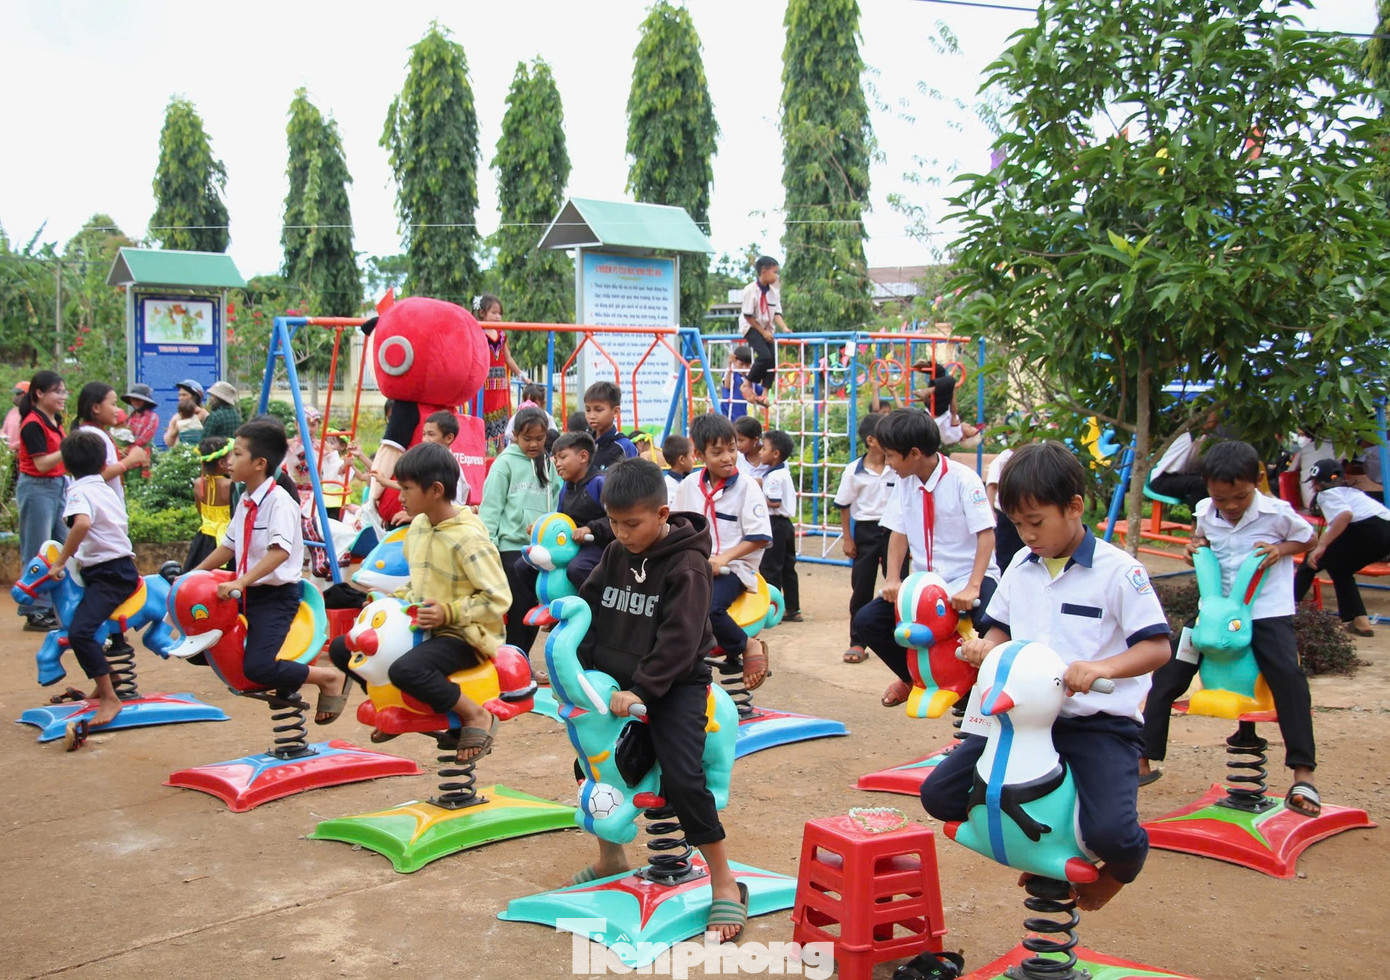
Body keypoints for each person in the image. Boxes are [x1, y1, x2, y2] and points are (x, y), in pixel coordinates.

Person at [923, 440, 1172, 911]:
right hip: (1023, 719)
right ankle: (1040, 845)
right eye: (1016, 524)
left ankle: (1119, 870)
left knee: (1113, 835)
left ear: (1074, 507)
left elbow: (1157, 646)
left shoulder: (1120, 573)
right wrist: (986, 647)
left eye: (1035, 523)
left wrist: (1102, 668)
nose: (1026, 535)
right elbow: (1000, 626)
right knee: (941, 795)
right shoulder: (1021, 564)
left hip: (1096, 722)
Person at [572, 457, 751, 941]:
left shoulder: (688, 565)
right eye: (613, 522)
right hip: (617, 682)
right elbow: (590, 605)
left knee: (684, 775)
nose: (622, 533)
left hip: (673, 685)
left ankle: (724, 881)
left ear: (662, 514)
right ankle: (612, 855)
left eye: (631, 523)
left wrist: (642, 689)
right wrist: (574, 659)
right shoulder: (614, 553)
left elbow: (679, 639)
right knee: (592, 764)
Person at [1142, 441, 1321, 817]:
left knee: (1287, 676)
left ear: (1256, 481)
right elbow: (1202, 538)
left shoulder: (1277, 512)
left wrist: (1282, 550)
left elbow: (1310, 538)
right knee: (1169, 668)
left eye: (1239, 496)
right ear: (1207, 487)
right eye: (1221, 498)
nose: (1231, 506)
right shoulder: (1206, 510)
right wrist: (1195, 546)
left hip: (1264, 611)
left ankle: (1303, 775)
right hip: (1215, 612)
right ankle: (1142, 760)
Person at [327, 442, 511, 758]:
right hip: (424, 626)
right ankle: (392, 702)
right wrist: (387, 602)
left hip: (466, 635)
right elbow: (418, 585)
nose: (399, 497)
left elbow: (498, 598)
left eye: (407, 489)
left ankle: (475, 714)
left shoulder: (468, 539)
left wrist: (448, 614)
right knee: (343, 648)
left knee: (406, 670)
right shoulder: (420, 527)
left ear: (435, 490)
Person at [191, 416, 349, 721]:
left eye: (237, 454)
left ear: (260, 463)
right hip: (248, 591)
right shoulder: (246, 500)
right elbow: (228, 546)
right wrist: (194, 574)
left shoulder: (279, 502)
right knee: (200, 645)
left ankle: (328, 678)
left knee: (258, 666)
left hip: (276, 597)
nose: (229, 461)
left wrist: (241, 581)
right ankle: (285, 682)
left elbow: (280, 553)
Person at [851, 408, 1000, 708]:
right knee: (868, 620)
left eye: (891, 456)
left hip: (966, 578)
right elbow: (898, 533)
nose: (888, 463)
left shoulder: (963, 479)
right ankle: (915, 679)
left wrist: (973, 585)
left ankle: (978, 699)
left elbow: (986, 534)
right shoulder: (905, 484)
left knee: (991, 624)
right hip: (924, 589)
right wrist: (893, 579)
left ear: (915, 453)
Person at [48, 430, 142, 729]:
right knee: (82, 623)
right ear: (104, 463)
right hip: (113, 568)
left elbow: (82, 524)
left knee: (80, 633)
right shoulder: (105, 488)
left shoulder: (78, 492)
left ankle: (110, 697)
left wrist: (61, 560)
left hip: (109, 574)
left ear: (65, 466)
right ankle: (108, 678)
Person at [671, 413, 772, 691]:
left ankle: (748, 645)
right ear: (700, 454)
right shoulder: (689, 485)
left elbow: (759, 537)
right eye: (718, 452)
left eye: (733, 449)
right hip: (695, 566)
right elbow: (678, 525)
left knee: (707, 607)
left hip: (734, 569)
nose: (728, 457)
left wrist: (723, 558)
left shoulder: (748, 487)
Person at [479, 406, 559, 655]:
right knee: (518, 608)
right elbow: (491, 507)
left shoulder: (547, 463)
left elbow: (555, 499)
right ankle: (512, 662)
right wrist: (488, 545)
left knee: (536, 607)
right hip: (511, 548)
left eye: (540, 438)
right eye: (527, 439)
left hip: (542, 550)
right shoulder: (504, 464)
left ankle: (519, 662)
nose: (534, 444)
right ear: (514, 435)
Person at [1294, 458, 1390, 638]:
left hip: (1367, 529)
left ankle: (1288, 612)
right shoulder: (1351, 492)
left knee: (1309, 563)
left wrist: (1321, 546)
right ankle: (1360, 621)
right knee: (1341, 569)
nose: (1314, 488)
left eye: (1314, 483)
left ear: (1318, 482)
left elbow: (1344, 516)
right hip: (1384, 531)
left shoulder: (1327, 494)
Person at [834, 413, 898, 663]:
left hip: (894, 532)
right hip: (866, 531)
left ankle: (897, 636)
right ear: (871, 440)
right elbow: (844, 505)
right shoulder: (854, 471)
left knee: (898, 584)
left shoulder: (896, 468)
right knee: (862, 586)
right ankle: (857, 641)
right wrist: (848, 539)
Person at [16, 371, 69, 631]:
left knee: (62, 545)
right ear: (39, 393)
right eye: (57, 391)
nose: (63, 396)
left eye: (63, 391)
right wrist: (67, 449)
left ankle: (54, 604)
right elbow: (42, 463)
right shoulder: (32, 423)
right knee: (37, 548)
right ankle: (34, 609)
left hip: (56, 486)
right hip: (37, 487)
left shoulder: (53, 420)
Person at [551, 431, 611, 590]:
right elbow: (560, 521)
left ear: (583, 457)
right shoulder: (565, 489)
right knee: (525, 565)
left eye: (562, 457)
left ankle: (596, 609)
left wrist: (590, 528)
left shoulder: (600, 484)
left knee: (577, 568)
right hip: (571, 546)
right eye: (555, 459)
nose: (557, 463)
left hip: (600, 546)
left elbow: (617, 520)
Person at [477, 294, 529, 453]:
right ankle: (483, 457)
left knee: (500, 423)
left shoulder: (501, 334)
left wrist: (522, 375)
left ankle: (501, 456)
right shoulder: (478, 332)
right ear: (482, 313)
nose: (498, 316)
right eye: (494, 312)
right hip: (483, 386)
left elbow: (508, 358)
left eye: (500, 313)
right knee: (483, 421)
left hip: (499, 386)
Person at [75, 382, 148, 495]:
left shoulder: (98, 433)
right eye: (113, 404)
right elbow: (97, 477)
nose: (117, 410)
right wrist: (130, 460)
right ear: (96, 407)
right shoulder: (90, 436)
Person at [759, 429, 802, 622]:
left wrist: (757, 498)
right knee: (787, 567)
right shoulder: (782, 471)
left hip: (774, 523)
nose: (760, 451)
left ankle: (771, 610)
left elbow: (774, 501)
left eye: (764, 448)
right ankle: (793, 608)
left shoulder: (775, 477)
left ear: (775, 454)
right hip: (785, 525)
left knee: (771, 567)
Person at [1148, 409, 1221, 508]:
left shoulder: (1209, 440)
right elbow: (1209, 424)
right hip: (1162, 479)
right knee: (1199, 484)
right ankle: (1197, 521)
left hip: (1183, 477)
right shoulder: (1192, 434)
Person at [740, 256, 785, 407]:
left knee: (773, 360)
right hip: (751, 327)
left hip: (767, 328)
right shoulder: (750, 290)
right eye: (774, 272)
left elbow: (777, 313)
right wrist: (763, 332)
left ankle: (765, 392)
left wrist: (784, 328)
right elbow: (748, 316)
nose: (776, 276)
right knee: (765, 356)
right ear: (764, 272)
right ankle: (747, 382)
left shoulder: (774, 292)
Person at [185, 437, 233, 570]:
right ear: (222, 463)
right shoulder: (230, 485)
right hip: (225, 540)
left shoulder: (198, 484)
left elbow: (200, 510)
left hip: (203, 539)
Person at [985, 441, 1026, 569]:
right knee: (1005, 551)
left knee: (1023, 548)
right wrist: (990, 510)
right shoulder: (1003, 458)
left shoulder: (1028, 456)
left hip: (1024, 512)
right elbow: (992, 485)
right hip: (1005, 512)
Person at [584, 381, 636, 471]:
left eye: (598, 410)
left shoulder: (624, 446)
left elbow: (632, 480)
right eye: (588, 410)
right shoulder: (584, 443)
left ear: (615, 412)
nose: (592, 416)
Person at [121, 383, 160, 475]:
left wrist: (130, 449)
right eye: (133, 399)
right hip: (127, 456)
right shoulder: (129, 418)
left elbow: (144, 438)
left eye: (139, 400)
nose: (136, 402)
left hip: (144, 456)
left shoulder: (152, 417)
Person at [721, 346, 764, 417]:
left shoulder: (750, 379)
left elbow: (761, 393)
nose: (744, 368)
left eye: (747, 365)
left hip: (742, 415)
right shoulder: (731, 372)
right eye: (741, 364)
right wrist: (730, 365)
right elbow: (727, 386)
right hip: (726, 413)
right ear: (735, 362)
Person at [163, 380, 206, 447]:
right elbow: (169, 443)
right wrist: (173, 432)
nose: (181, 398)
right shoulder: (176, 417)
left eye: (184, 395)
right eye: (179, 395)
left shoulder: (204, 415)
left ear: (195, 397)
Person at [662, 434, 694, 507]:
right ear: (682, 460)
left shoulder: (692, 480)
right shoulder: (668, 487)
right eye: (691, 456)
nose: (693, 460)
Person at [733, 415, 765, 480]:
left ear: (755, 440)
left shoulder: (772, 455)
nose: (737, 444)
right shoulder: (736, 457)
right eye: (735, 440)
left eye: (741, 440)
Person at [3, 381, 29, 451]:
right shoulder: (12, 411)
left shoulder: (30, 414)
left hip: (22, 456)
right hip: (9, 455)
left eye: (18, 394)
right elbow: (3, 430)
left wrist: (11, 447)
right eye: (16, 394)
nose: (16, 397)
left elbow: (28, 438)